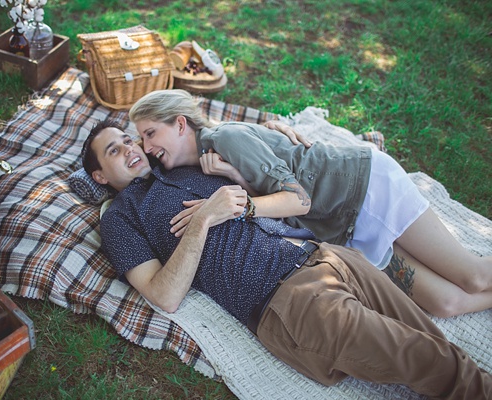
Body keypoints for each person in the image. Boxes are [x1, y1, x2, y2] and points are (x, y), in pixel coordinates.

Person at [81, 120, 491, 399]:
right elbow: (163, 295)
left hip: (332, 257)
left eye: (130, 140)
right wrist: (204, 218)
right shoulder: (120, 219)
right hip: (288, 300)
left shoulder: (182, 162)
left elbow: (224, 136)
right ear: (100, 176)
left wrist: (274, 129)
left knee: (438, 346)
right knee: (432, 361)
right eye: (115, 150)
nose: (132, 149)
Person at [127, 89, 492, 318]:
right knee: (445, 304)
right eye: (142, 139)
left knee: (473, 277)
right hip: (343, 227)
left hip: (365, 191)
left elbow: (298, 200)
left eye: (150, 133)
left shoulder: (225, 138)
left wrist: (239, 207)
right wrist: (237, 176)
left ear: (180, 124)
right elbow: (270, 179)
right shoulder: (205, 162)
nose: (147, 147)